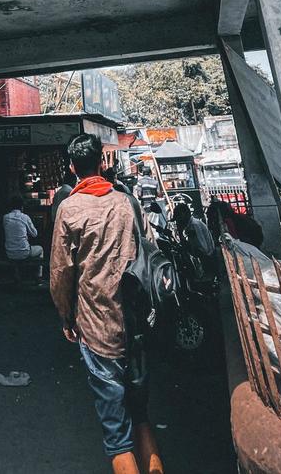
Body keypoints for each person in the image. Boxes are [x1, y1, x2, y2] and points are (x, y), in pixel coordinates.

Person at [51, 134, 164, 474]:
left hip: (97, 326)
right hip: (136, 323)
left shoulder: (69, 208)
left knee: (115, 428)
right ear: (102, 162)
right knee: (140, 413)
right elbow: (152, 249)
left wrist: (66, 317)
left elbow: (60, 273)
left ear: (72, 168)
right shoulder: (127, 203)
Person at [172, 201, 216, 282]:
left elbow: (204, 249)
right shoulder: (191, 225)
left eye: (178, 219)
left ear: (183, 215)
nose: (178, 222)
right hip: (206, 259)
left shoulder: (194, 226)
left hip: (207, 261)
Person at [3, 195, 43, 280]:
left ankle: (17, 277)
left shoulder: (5, 217)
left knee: (15, 249)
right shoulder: (25, 217)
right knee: (40, 249)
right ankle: (39, 276)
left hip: (9, 252)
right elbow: (34, 234)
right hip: (24, 252)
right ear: (22, 206)